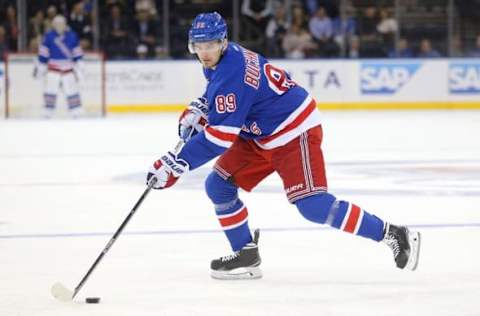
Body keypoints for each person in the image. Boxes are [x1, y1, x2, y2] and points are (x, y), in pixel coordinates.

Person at [146, 12, 421, 280]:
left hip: (293, 131)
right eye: (199, 46)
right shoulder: (224, 59)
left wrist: (175, 163)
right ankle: (245, 254)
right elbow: (220, 96)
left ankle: (393, 234)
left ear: (223, 41)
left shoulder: (232, 71)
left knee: (312, 205)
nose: (205, 52)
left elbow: (220, 138)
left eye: (211, 45)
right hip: (261, 132)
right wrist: (202, 108)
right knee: (218, 185)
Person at [34, 15, 84, 118]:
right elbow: (44, 53)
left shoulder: (72, 35)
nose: (60, 25)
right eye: (57, 23)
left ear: (65, 24)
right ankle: (48, 111)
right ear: (53, 24)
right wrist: (41, 66)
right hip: (53, 69)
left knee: (72, 90)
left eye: (62, 23)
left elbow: (76, 52)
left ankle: (76, 111)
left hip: (68, 69)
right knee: (50, 90)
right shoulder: (49, 36)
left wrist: (79, 64)